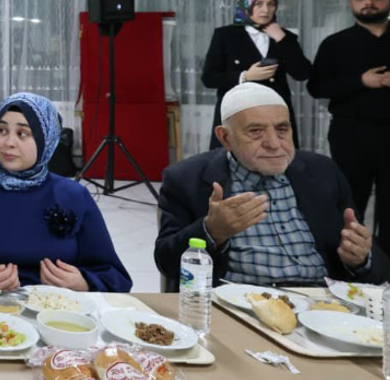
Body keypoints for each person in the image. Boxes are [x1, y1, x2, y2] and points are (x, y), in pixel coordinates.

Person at [154, 83, 388, 287]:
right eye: (255, 131)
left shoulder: (322, 172)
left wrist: (360, 259)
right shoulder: (187, 178)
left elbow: (377, 264)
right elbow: (167, 263)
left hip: (320, 304)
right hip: (236, 305)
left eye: (282, 129)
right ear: (225, 137)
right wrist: (212, 231)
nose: (274, 144)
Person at [0, 93, 131, 292]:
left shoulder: (74, 195)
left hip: (58, 311)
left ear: (46, 140)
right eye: (2, 130)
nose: (9, 142)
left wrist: (83, 283)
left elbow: (115, 275)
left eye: (23, 134)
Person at [308, 0, 390, 257]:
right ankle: (352, 262)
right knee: (351, 201)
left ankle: (386, 264)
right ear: (351, 3)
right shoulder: (335, 43)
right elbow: (317, 87)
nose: (369, 3)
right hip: (351, 134)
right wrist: (361, 81)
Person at [201, 0, 311, 150]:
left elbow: (302, 73)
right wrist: (245, 76)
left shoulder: (285, 36)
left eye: (271, 4)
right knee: (235, 160)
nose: (265, 10)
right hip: (239, 111)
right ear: (245, 5)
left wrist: (281, 39)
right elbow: (209, 78)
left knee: (278, 158)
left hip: (275, 113)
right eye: (258, 4)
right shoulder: (225, 35)